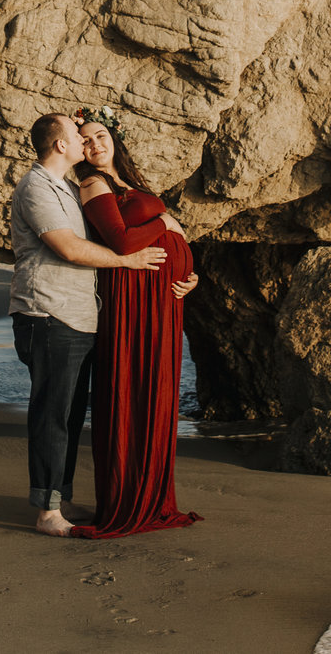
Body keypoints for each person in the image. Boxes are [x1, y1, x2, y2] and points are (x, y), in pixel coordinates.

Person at [10, 112, 167, 536]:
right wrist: (126, 261)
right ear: (61, 145)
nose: (85, 142)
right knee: (52, 413)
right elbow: (68, 247)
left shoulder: (66, 185)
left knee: (72, 411)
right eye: (76, 137)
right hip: (46, 312)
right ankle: (46, 511)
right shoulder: (36, 186)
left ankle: (60, 497)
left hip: (80, 314)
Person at [70, 113, 202, 538]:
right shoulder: (94, 184)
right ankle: (129, 500)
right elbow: (123, 242)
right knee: (136, 386)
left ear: (115, 139)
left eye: (100, 136)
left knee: (159, 389)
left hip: (162, 299)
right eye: (86, 140)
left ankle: (155, 496)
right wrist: (166, 224)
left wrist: (190, 273)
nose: (95, 145)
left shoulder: (128, 182)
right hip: (132, 299)